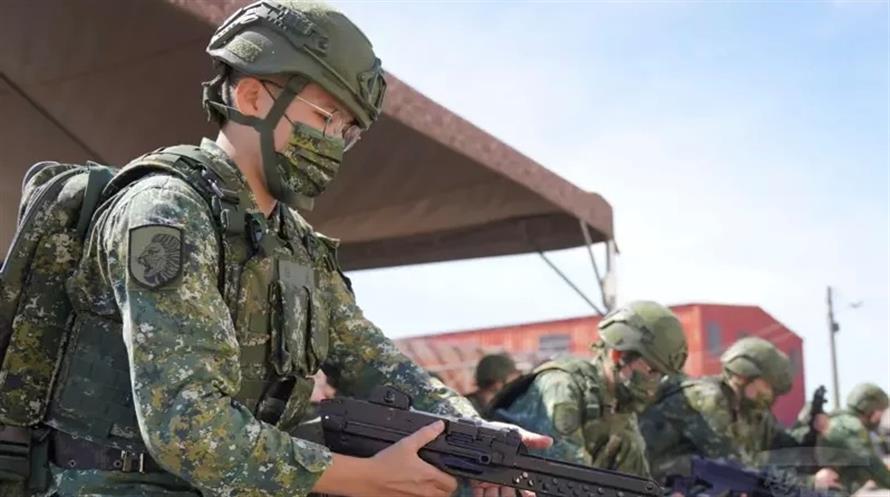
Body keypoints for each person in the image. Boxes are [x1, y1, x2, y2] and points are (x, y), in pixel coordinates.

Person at [32, 2, 548, 496]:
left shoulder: (295, 243)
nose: (333, 143)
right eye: (325, 117)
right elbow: (187, 426)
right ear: (252, 97)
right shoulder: (167, 211)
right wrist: (366, 479)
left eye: (346, 131)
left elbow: (375, 365)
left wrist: (481, 439)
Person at [490, 301, 689, 477]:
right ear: (618, 356)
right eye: (652, 371)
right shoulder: (562, 387)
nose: (656, 383)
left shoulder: (619, 406)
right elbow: (564, 482)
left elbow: (635, 482)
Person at [639, 336, 831, 486]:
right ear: (744, 375)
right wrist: (809, 483)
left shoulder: (754, 414)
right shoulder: (708, 399)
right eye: (768, 386)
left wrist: (812, 431)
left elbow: (788, 452)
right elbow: (735, 470)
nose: (771, 395)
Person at [817, 383, 890, 494]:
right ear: (870, 409)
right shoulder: (852, 426)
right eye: (880, 412)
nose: (879, 418)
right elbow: (871, 464)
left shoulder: (838, 420)